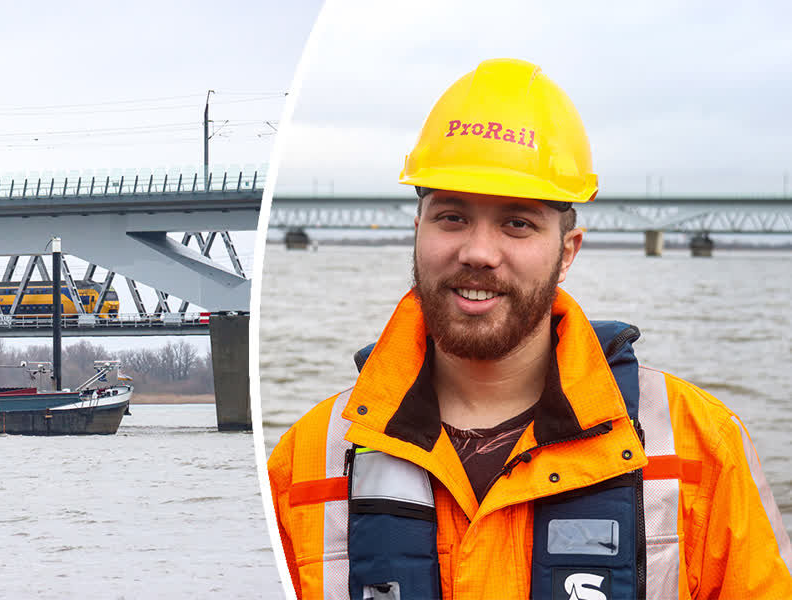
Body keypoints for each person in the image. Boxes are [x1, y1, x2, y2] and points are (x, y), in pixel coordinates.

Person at [267, 58, 792, 600]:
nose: (478, 252)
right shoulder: (307, 461)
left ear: (567, 252)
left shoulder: (701, 451)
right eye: (452, 216)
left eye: (517, 223)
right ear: (417, 231)